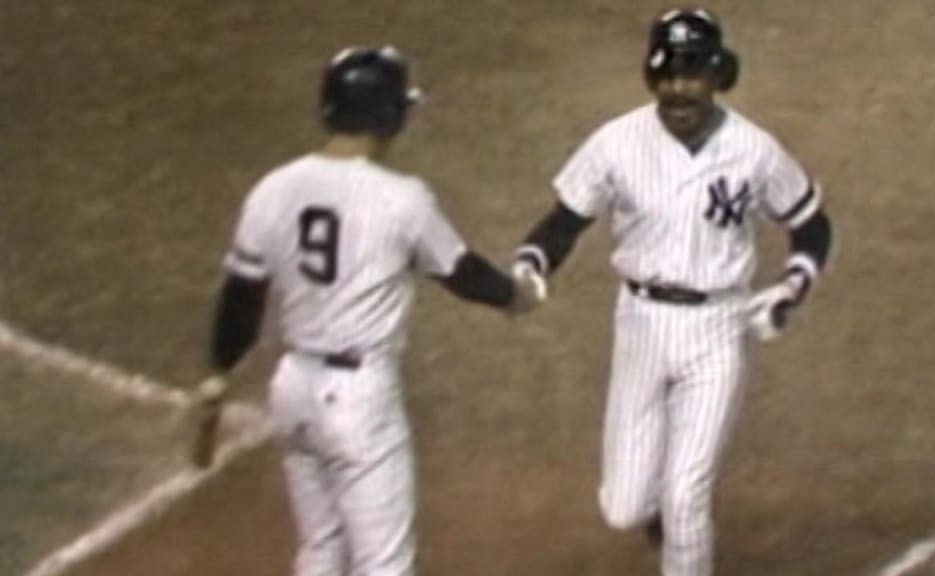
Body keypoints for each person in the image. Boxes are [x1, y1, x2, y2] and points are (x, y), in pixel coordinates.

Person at [511, 8, 834, 575]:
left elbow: (811, 221)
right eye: (667, 76)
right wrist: (533, 263)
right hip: (640, 324)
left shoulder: (753, 150)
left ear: (717, 77)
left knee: (688, 499)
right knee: (623, 506)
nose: (678, 90)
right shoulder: (617, 143)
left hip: (718, 327)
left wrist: (792, 286)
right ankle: (655, 509)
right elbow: (563, 221)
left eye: (692, 75)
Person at [197, 46, 536, 576]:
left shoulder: (273, 189)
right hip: (358, 401)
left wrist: (218, 373)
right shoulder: (402, 198)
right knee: (384, 564)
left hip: (293, 391)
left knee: (320, 550)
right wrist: (516, 296)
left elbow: (241, 300)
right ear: (391, 116)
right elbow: (461, 272)